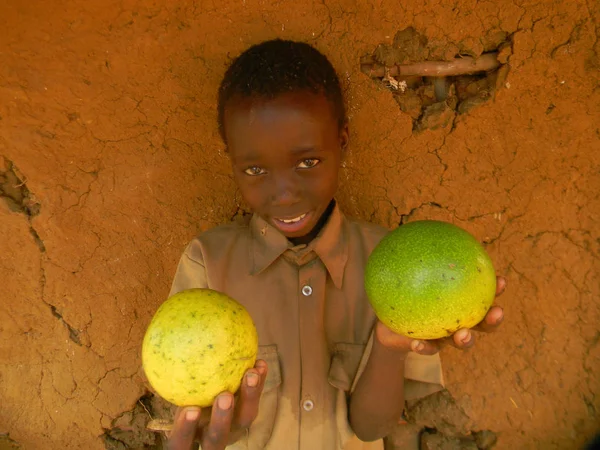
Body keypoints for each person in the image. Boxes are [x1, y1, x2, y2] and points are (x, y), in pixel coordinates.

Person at [164, 39, 506, 450]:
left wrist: (390, 343)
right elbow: (195, 413)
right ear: (230, 159)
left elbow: (371, 428)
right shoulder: (207, 264)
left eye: (307, 162)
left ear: (342, 141)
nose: (285, 194)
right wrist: (218, 431)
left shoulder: (395, 268)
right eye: (255, 169)